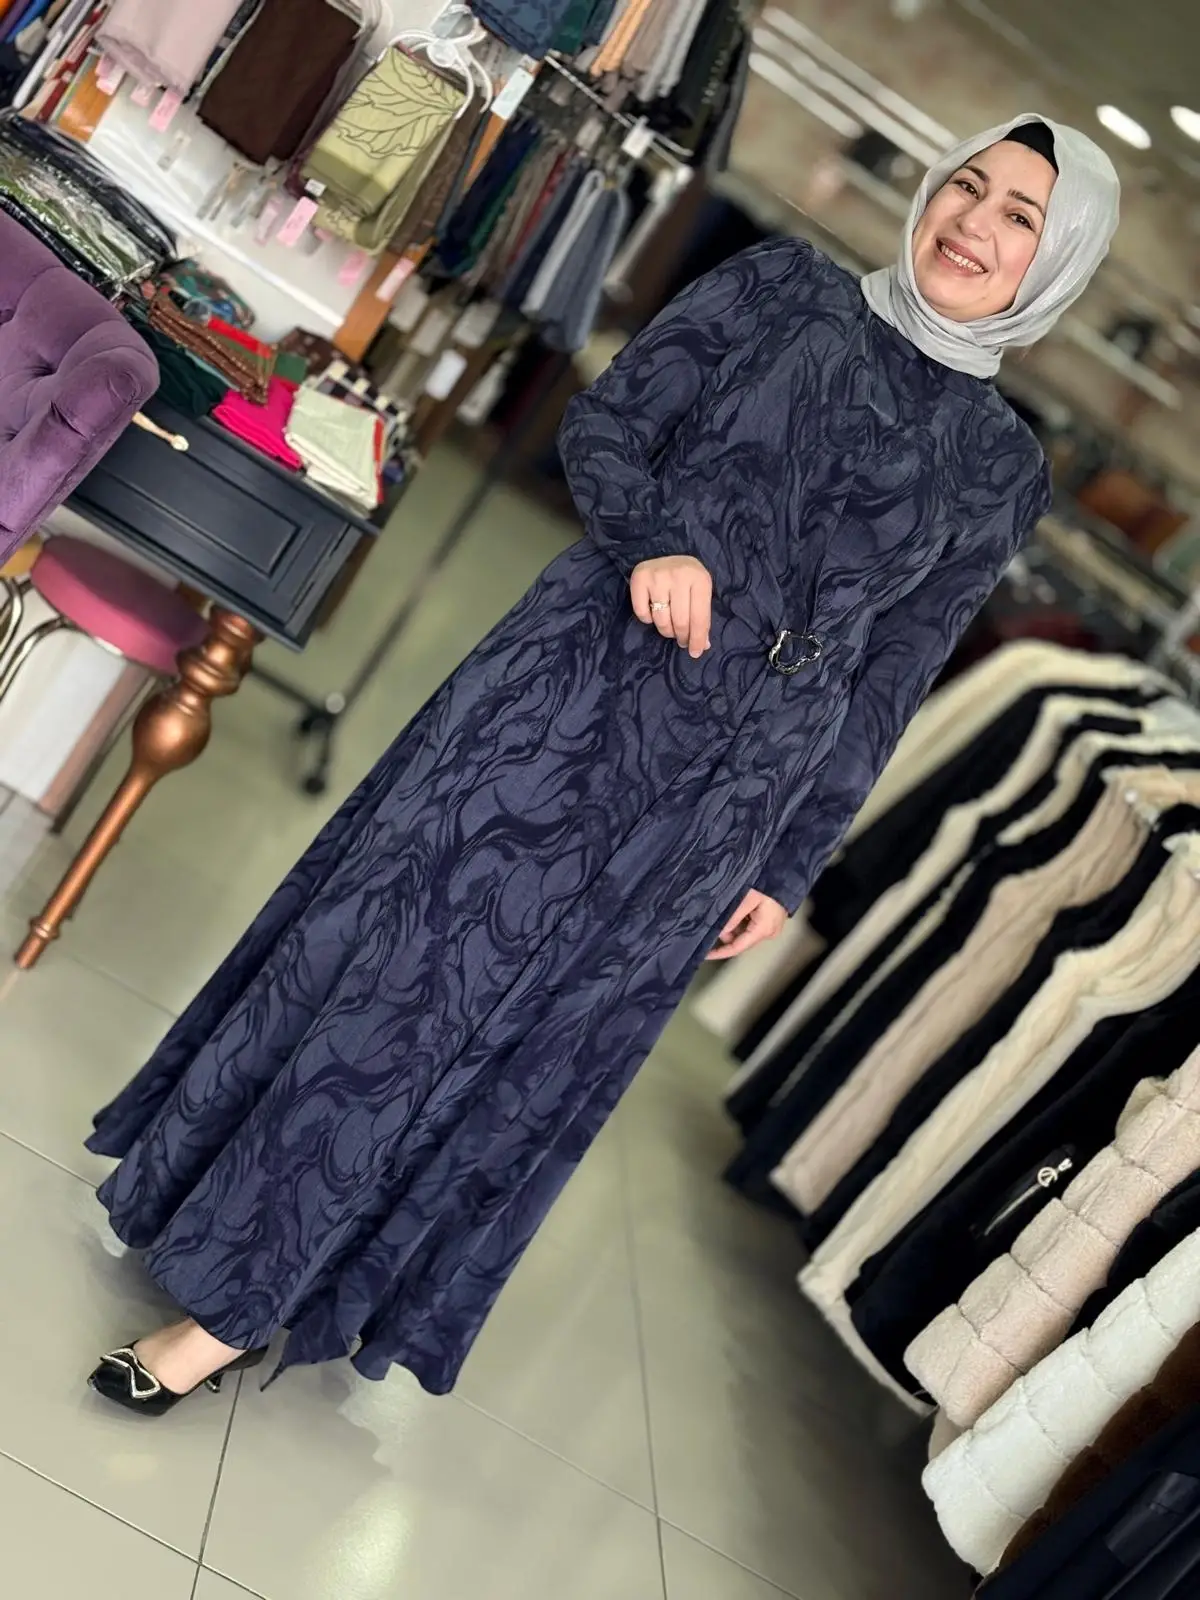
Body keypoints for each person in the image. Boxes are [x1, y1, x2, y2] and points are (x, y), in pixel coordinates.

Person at [86, 114, 1119, 1414]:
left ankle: (260, 1299)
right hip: (575, 696)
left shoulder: (1003, 466)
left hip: (727, 799)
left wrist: (789, 861)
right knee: (405, 969)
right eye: (967, 186)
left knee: (522, 1046)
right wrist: (658, 543)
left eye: (1021, 218)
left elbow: (893, 675)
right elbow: (609, 427)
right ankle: (228, 1262)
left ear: (1055, 264)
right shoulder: (780, 287)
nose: (974, 225)